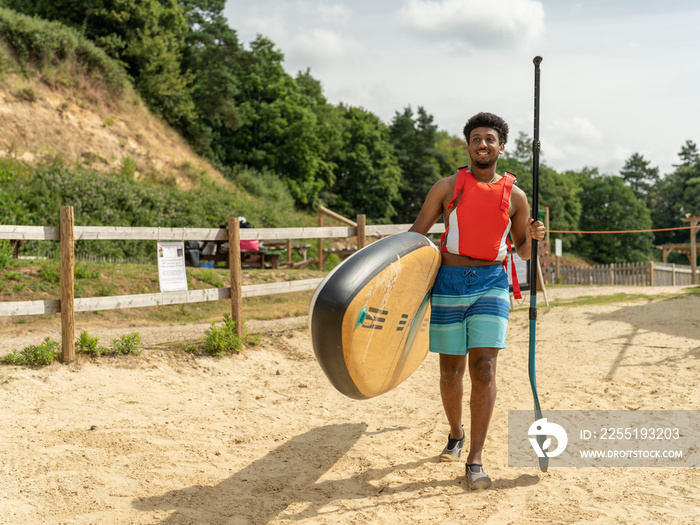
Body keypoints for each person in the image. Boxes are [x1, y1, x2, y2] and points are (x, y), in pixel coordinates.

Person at [409, 112, 545, 490]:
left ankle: (475, 459)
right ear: (468, 146)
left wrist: (534, 238)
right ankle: (456, 433)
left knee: (483, 367)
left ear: (502, 147)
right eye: (475, 139)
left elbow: (521, 250)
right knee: (450, 371)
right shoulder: (447, 187)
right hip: (448, 281)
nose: (482, 145)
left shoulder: (516, 196)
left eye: (489, 139)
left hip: (491, 282)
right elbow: (416, 235)